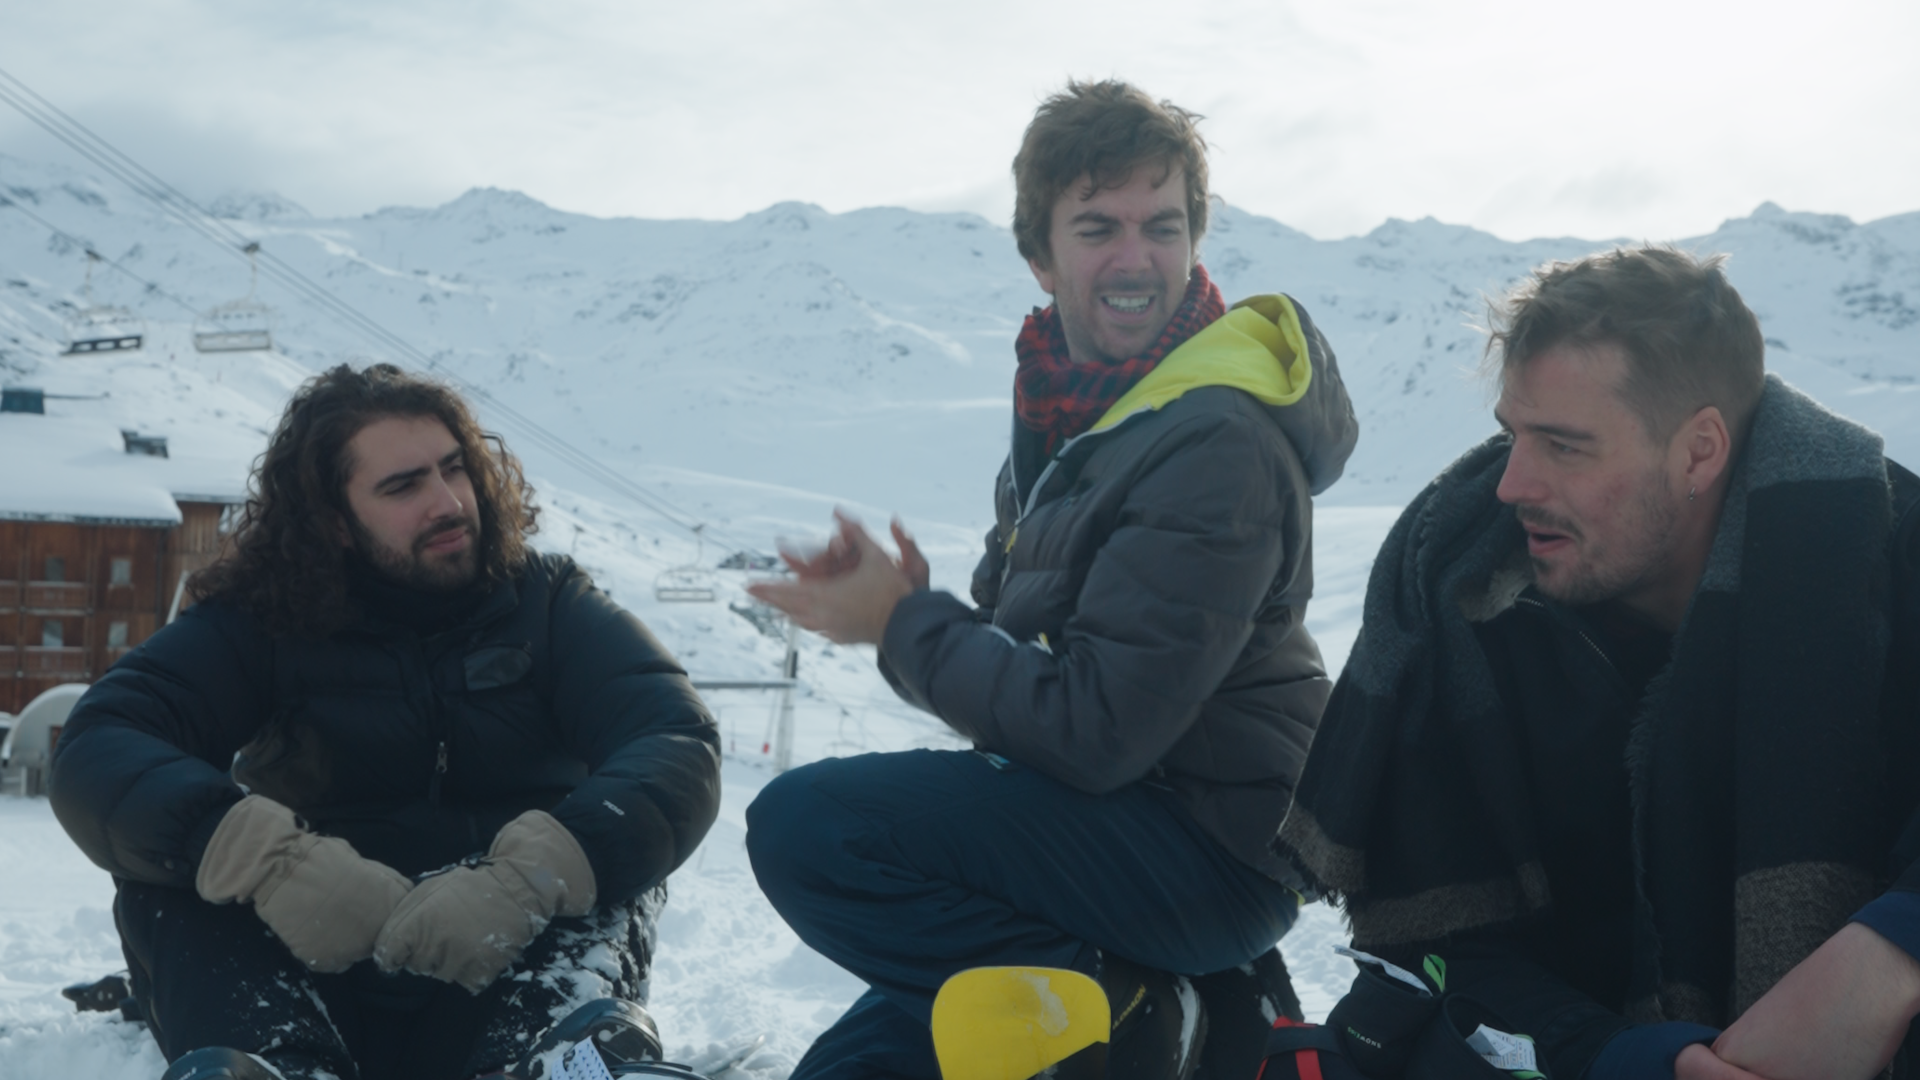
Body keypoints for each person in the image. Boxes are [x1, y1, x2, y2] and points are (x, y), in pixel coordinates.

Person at [744, 79, 1358, 1080]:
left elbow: (1093, 730)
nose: (1135, 258)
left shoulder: (1214, 437)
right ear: (1040, 254)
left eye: (1162, 226)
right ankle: (1143, 998)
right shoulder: (1075, 419)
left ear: (1197, 239)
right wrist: (915, 618)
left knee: (813, 830)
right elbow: (1034, 699)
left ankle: (1145, 1008)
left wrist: (907, 627)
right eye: (1098, 227)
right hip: (1121, 829)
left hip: (1205, 852)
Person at [1279, 246, 1920, 1080]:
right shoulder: (1467, 607)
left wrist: (1888, 951)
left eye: (1564, 446)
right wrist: (1640, 1060)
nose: (1511, 484)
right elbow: (1444, 953)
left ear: (1698, 451)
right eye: (1513, 435)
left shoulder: (1884, 556)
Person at [49, 364, 723, 1080]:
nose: (448, 502)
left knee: (610, 852)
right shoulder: (261, 620)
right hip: (309, 965)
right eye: (403, 486)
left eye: (455, 469)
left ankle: (560, 1066)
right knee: (178, 867)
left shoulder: (550, 605)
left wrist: (533, 875)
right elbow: (102, 742)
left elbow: (675, 743)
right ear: (333, 521)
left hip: (509, 962)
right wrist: (266, 860)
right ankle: (276, 1069)